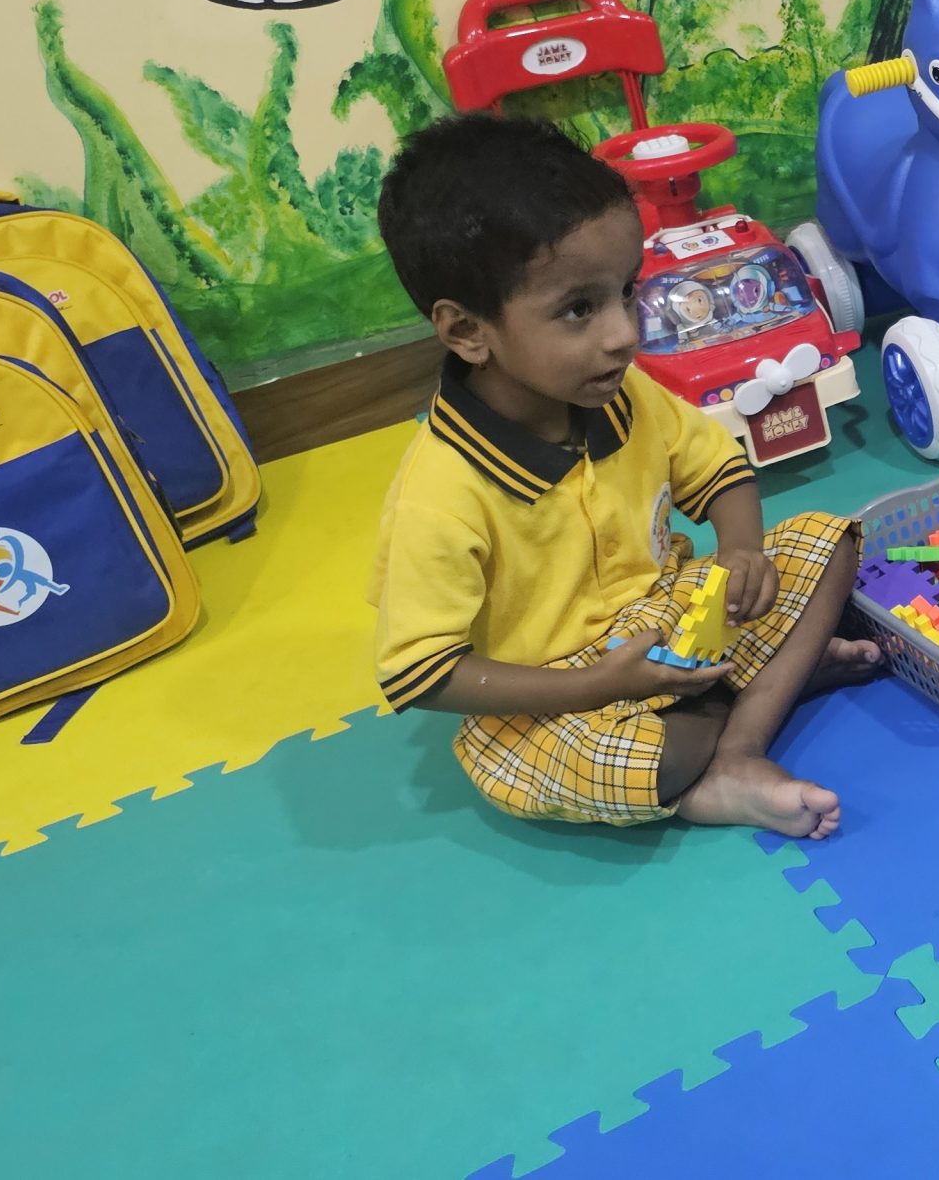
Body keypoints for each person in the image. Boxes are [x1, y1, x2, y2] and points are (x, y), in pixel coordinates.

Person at [367, 112, 878, 838]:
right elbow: (420, 672)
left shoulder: (619, 392)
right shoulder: (440, 494)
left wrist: (741, 552)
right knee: (626, 757)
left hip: (670, 617)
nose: (624, 334)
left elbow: (720, 469)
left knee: (831, 544)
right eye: (579, 309)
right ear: (468, 331)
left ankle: (736, 750)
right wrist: (596, 686)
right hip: (555, 692)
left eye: (628, 291)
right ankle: (750, 705)